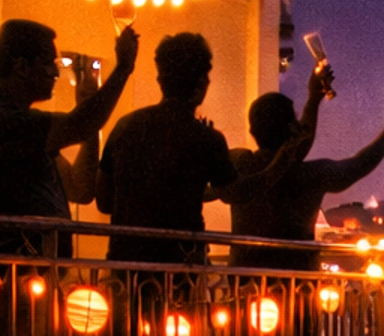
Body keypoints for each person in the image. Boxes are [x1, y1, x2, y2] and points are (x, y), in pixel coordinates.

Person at [96, 33, 301, 265]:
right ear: (202, 82)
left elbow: (103, 200)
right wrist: (280, 163)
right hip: (181, 265)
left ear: (160, 79)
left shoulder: (125, 126)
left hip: (125, 261)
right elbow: (235, 193)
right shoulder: (206, 139)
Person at [0, 18, 137, 254]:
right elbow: (78, 124)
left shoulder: (9, 122)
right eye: (49, 64)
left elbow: (79, 188)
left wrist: (88, 119)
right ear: (21, 67)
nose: (55, 73)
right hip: (7, 268)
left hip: (26, 271)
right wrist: (122, 69)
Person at [228, 71, 384, 269]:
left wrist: (313, 99)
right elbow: (360, 165)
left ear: (252, 130)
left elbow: (297, 149)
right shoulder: (312, 175)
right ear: (293, 130)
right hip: (298, 283)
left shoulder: (240, 163)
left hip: (244, 279)